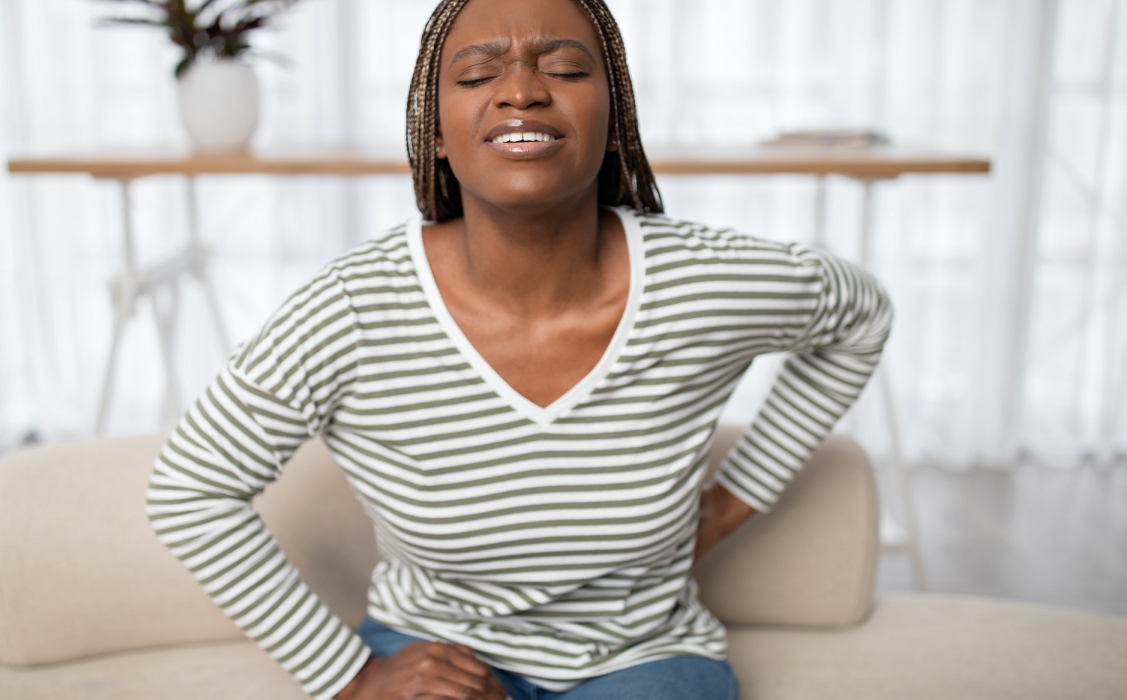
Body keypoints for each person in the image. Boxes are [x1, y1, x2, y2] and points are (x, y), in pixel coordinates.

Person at [145, 0, 893, 698]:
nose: (523, 92)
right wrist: (350, 676)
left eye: (565, 69)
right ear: (435, 128)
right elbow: (189, 488)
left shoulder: (707, 283)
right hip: (435, 651)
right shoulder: (352, 311)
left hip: (644, 657)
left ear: (614, 114)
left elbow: (861, 317)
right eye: (477, 74)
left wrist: (732, 502)